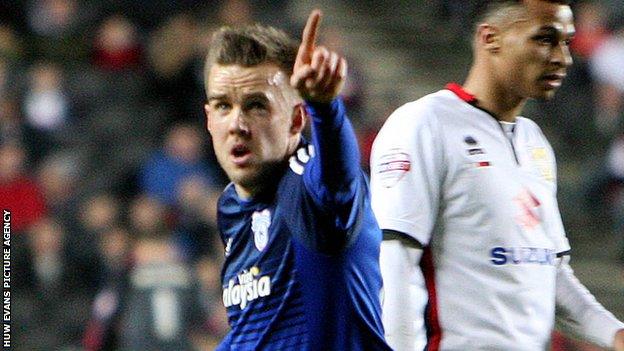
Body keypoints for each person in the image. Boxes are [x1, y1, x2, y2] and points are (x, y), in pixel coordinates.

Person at [369, 1, 624, 350]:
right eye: (545, 39)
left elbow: (550, 274)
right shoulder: (424, 124)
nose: (562, 58)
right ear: (491, 38)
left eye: (566, 42)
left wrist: (615, 333)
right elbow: (395, 265)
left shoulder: (534, 141)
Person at [203, 10, 391, 350]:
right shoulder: (232, 205)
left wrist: (326, 108)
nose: (236, 124)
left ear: (295, 120)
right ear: (208, 118)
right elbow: (256, 328)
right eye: (223, 106)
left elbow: (338, 181)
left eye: (256, 106)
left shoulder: (307, 186)